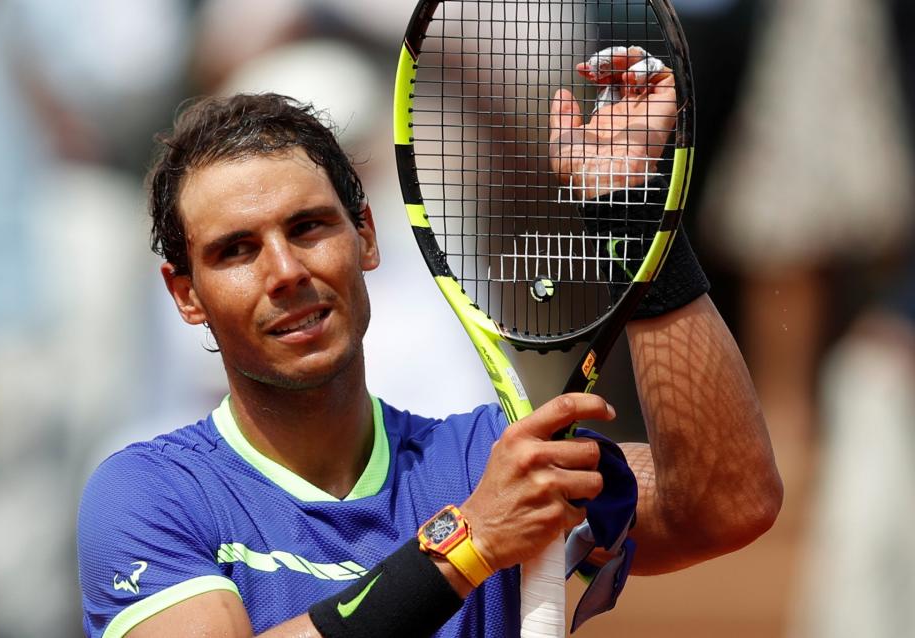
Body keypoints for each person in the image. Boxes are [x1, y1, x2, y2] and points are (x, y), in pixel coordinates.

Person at [77, 54, 781, 638]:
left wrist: (634, 220)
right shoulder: (147, 494)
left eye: (309, 227)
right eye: (236, 251)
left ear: (367, 237)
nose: (285, 272)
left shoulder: (487, 459)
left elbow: (726, 502)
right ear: (186, 295)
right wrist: (467, 542)